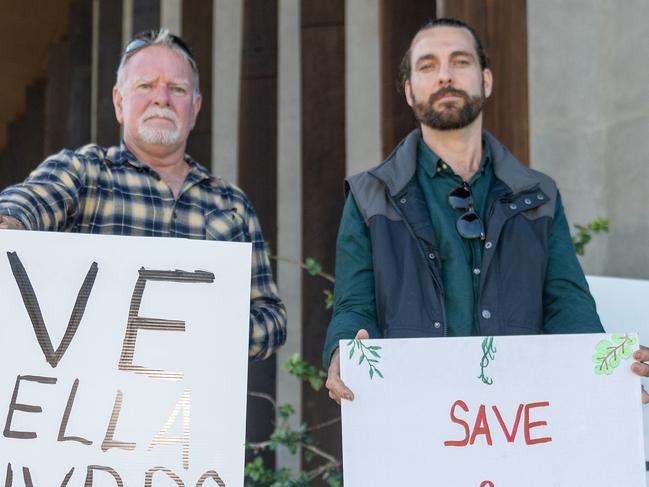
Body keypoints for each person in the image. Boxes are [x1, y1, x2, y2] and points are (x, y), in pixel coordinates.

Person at [323, 18, 649, 403]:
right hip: (416, 416)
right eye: (428, 66)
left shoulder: (539, 195)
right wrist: (343, 351)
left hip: (518, 420)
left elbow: (568, 303)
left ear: (486, 80)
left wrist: (606, 371)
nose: (445, 75)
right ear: (410, 91)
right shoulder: (369, 195)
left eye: (460, 61)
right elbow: (354, 306)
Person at [0, 29, 286, 360]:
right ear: (119, 102)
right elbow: (33, 199)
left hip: (193, 407)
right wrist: (9, 224)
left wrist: (198, 323)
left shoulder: (231, 205)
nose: (161, 98)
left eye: (177, 89)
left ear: (195, 108)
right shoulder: (85, 172)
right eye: (146, 86)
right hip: (93, 404)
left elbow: (271, 321)